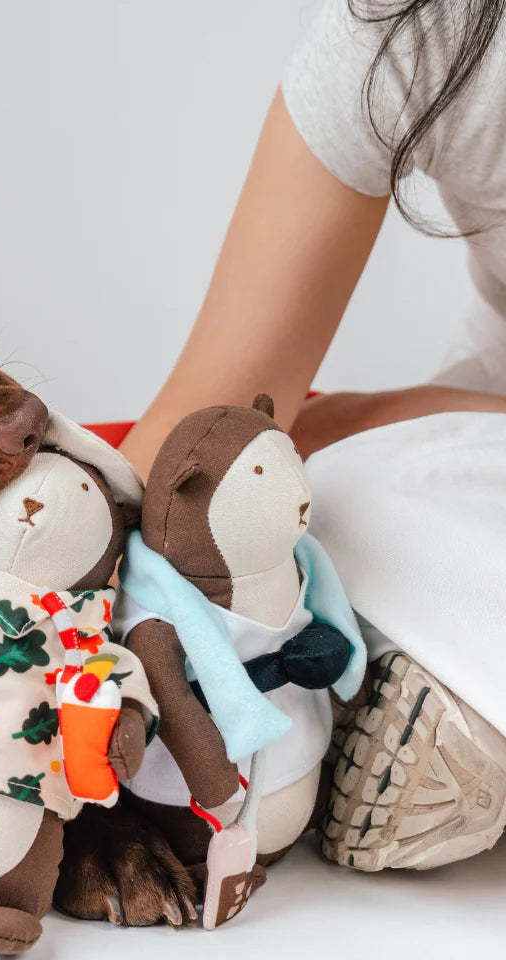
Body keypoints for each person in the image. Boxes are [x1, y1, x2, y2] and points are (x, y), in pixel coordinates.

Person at [120, 0, 506, 874]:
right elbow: (205, 426)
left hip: (471, 435)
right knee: (316, 502)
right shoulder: (425, 28)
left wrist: (368, 412)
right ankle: (432, 704)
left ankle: (445, 699)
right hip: (475, 437)